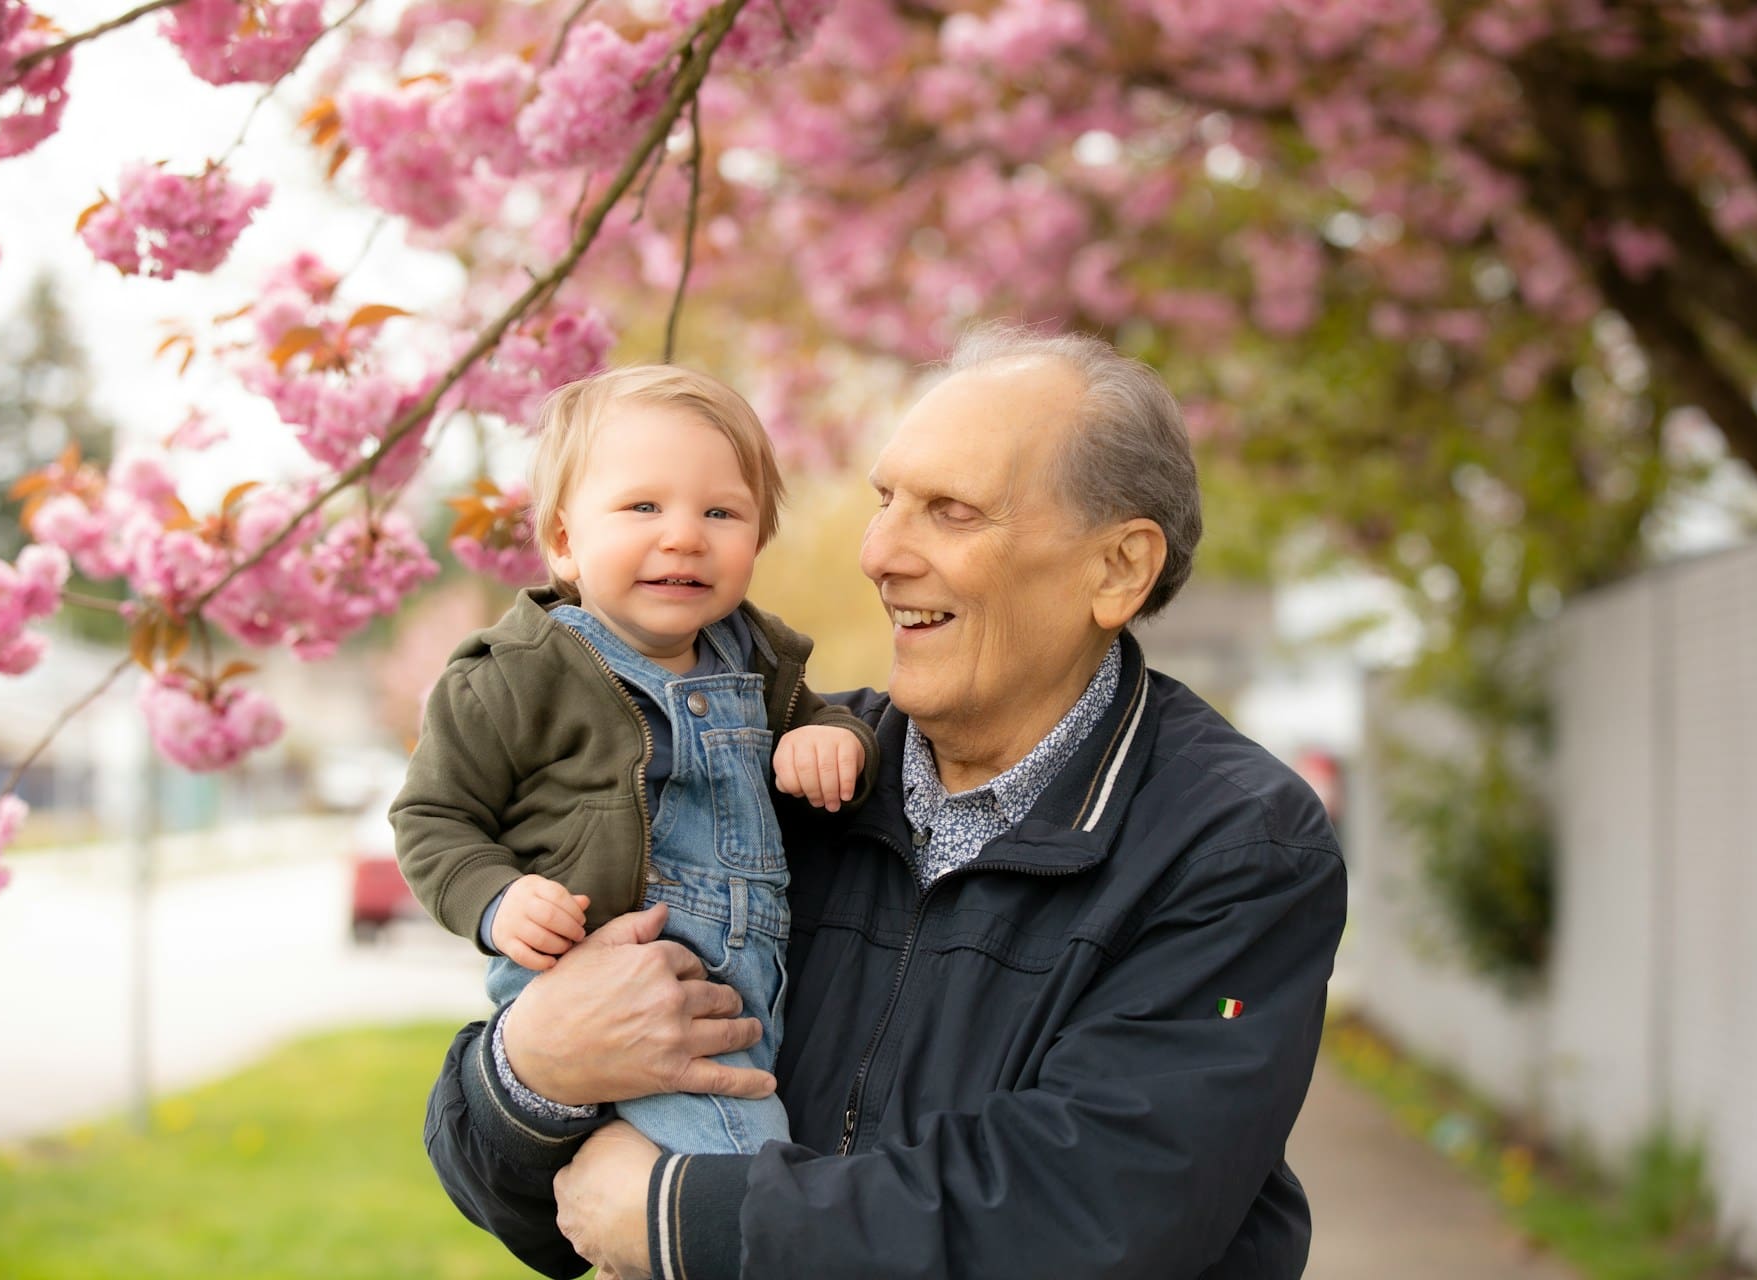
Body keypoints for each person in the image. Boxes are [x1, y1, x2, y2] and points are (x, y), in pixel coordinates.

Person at [422, 325, 1347, 1279]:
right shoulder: (773, 775)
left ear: (1116, 569)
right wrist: (532, 1071)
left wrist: (682, 1216)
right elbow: (511, 1192)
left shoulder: (1234, 846)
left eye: (950, 510)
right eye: (885, 501)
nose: (878, 552)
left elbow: (1099, 1207)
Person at [394, 364, 877, 1158]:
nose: (684, 534)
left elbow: (818, 726)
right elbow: (432, 815)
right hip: (600, 989)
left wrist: (834, 742)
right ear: (563, 540)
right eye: (643, 507)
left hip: (746, 994)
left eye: (721, 511)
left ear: (756, 539)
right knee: (744, 1174)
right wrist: (496, 899)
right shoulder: (516, 675)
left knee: (714, 1181)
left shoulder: (758, 662)